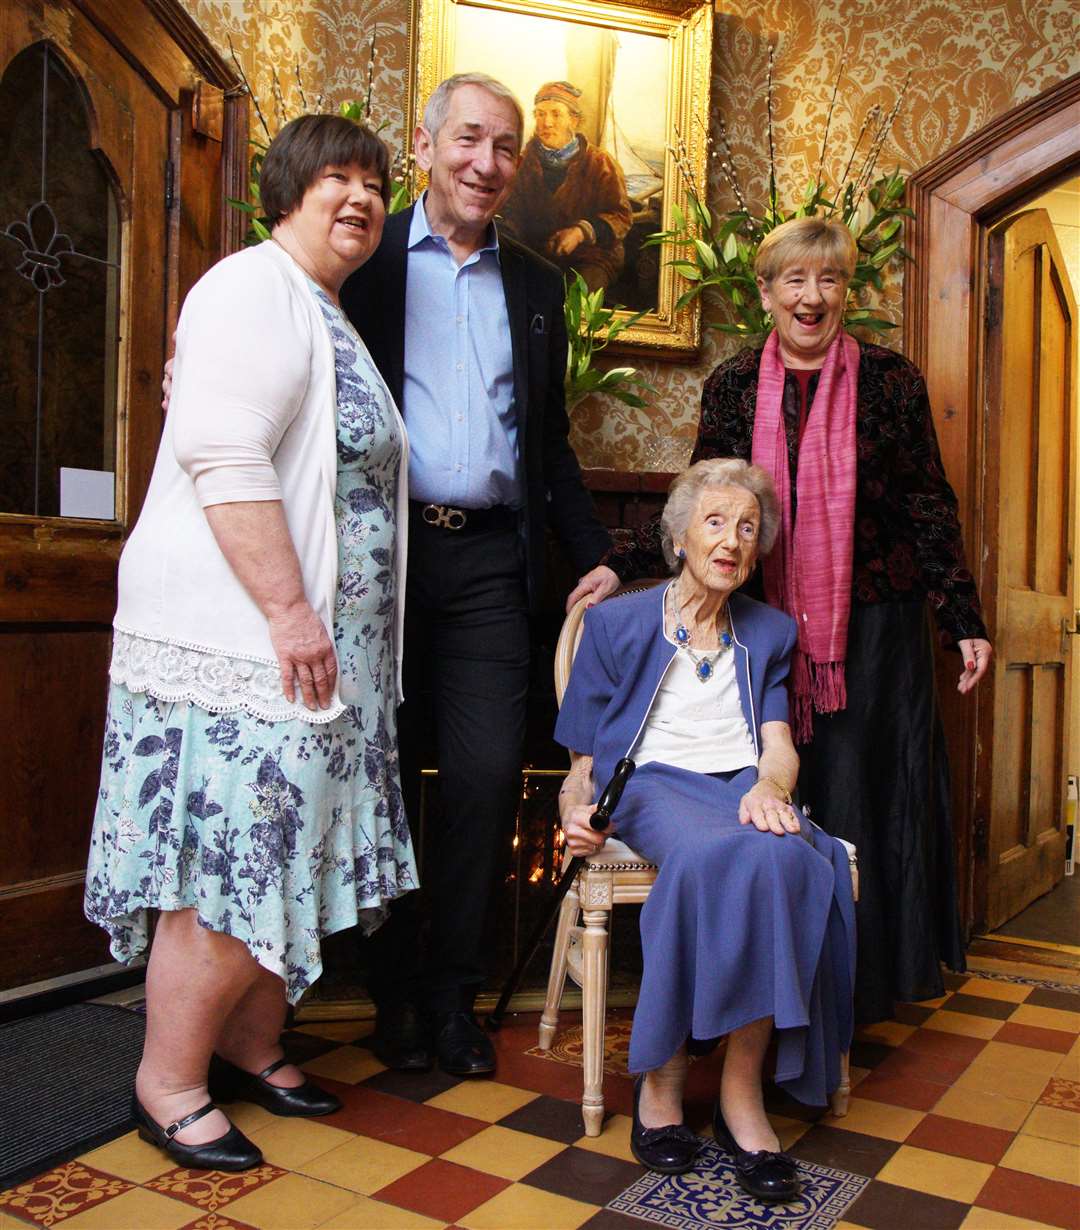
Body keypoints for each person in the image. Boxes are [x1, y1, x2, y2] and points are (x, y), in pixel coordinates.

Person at [84, 115, 417, 1171]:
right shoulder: (248, 285)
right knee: (236, 862)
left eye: (373, 181)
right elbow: (225, 456)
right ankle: (170, 1082)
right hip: (250, 647)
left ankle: (250, 1043)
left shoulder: (325, 309)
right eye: (337, 177)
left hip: (324, 661)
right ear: (287, 189)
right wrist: (286, 608)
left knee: (288, 855)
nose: (359, 196)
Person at [586, 216, 992, 1024]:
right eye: (795, 281)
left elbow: (926, 506)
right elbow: (702, 500)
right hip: (763, 633)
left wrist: (962, 616)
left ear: (846, 291)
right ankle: (775, 994)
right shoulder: (734, 385)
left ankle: (860, 993)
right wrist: (618, 561)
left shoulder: (892, 381)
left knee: (868, 801)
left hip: (873, 634)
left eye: (829, 280)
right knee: (777, 802)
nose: (813, 297)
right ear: (766, 293)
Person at [340, 73, 612, 1077]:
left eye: (504, 146)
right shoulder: (361, 261)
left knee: (489, 778)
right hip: (379, 562)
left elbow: (549, 445)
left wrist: (593, 556)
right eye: (468, 139)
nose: (488, 162)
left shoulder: (538, 285)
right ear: (424, 144)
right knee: (378, 779)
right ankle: (393, 988)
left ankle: (452, 997)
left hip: (492, 563)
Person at [557, 458, 855, 1199]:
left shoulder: (770, 631)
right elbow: (584, 762)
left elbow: (779, 739)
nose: (731, 541)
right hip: (652, 785)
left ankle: (739, 1090)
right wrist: (572, 811)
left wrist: (771, 784)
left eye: (747, 528)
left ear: (757, 551)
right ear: (680, 536)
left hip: (740, 786)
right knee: (723, 852)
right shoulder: (617, 624)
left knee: (788, 855)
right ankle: (664, 1077)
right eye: (715, 522)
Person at [499, 80, 632, 291]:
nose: (547, 122)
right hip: (538, 254)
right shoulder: (522, 163)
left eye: (555, 114)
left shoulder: (600, 163)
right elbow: (511, 212)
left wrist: (580, 232)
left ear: (574, 120)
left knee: (578, 305)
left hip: (593, 257)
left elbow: (621, 216)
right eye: (540, 114)